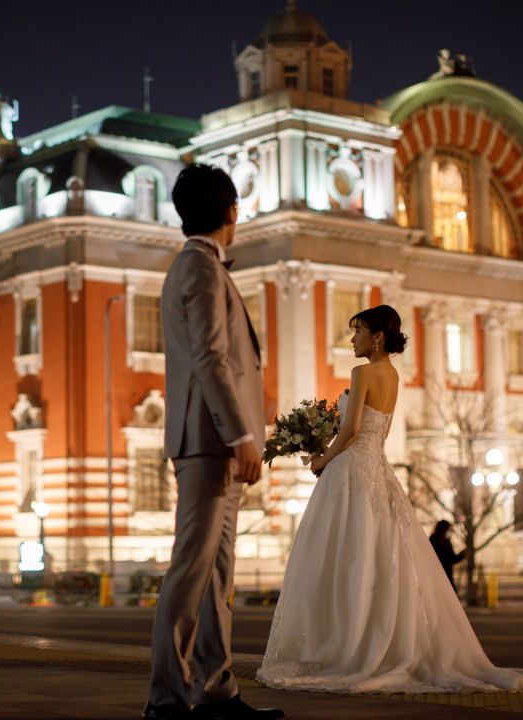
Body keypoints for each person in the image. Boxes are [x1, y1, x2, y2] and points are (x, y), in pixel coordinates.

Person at [257, 305, 523, 694]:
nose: (352, 339)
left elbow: (352, 428)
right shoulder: (393, 375)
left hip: (352, 471)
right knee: (379, 555)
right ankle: (374, 641)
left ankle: (344, 643)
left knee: (341, 555)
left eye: (358, 332)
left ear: (377, 337)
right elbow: (379, 435)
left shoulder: (361, 373)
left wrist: (322, 457)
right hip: (378, 469)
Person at [145, 164, 284, 720]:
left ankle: (218, 689)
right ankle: (167, 699)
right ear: (232, 212)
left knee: (215, 575)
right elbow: (210, 358)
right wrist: (243, 435)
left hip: (214, 444)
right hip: (208, 443)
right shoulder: (200, 268)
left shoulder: (198, 266)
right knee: (191, 570)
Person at [429, 519, 466, 591]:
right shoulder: (433, 539)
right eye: (449, 529)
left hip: (447, 576)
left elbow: (452, 559)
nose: (450, 532)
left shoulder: (447, 542)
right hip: (437, 575)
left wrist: (462, 554)